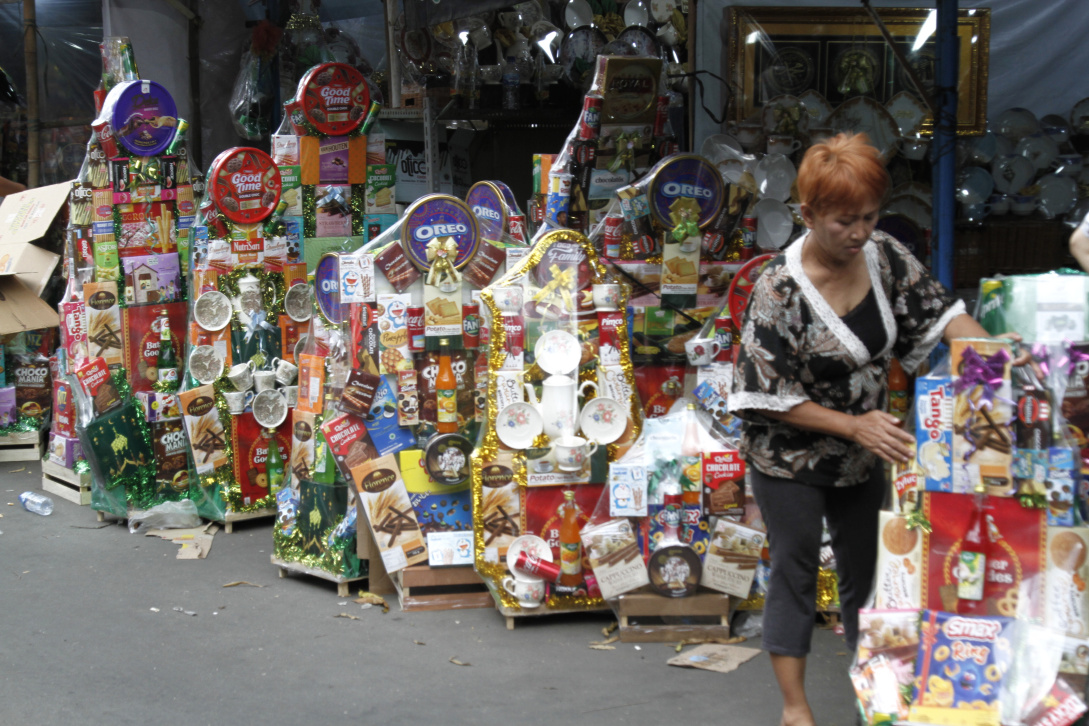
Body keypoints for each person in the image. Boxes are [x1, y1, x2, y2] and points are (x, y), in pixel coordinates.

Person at [728, 132, 1019, 726]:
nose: (858, 232)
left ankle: (875, 699)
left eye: (868, 216)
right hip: (789, 456)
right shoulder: (777, 290)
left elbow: (943, 319)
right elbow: (762, 396)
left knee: (871, 577)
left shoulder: (885, 256)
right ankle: (795, 708)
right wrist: (852, 425)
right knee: (796, 570)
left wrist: (1006, 361)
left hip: (866, 451)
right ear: (807, 215)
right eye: (843, 221)